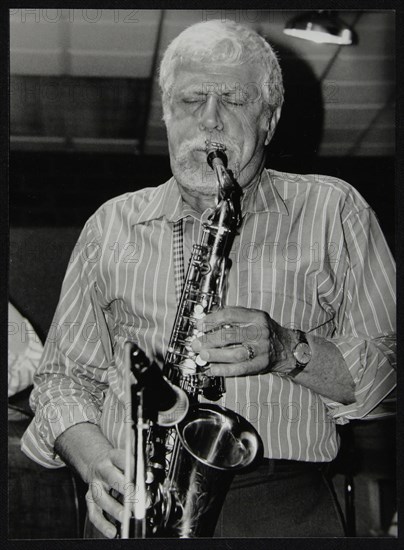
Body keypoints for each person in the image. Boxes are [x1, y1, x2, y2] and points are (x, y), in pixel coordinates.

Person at [21, 20, 396, 538]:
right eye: (192, 100)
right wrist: (97, 464)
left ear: (270, 118)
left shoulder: (334, 208)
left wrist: (288, 349)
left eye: (235, 101)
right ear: (167, 114)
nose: (210, 122)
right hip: (136, 498)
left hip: (280, 504)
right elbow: (62, 379)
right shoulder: (110, 223)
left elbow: (390, 372)